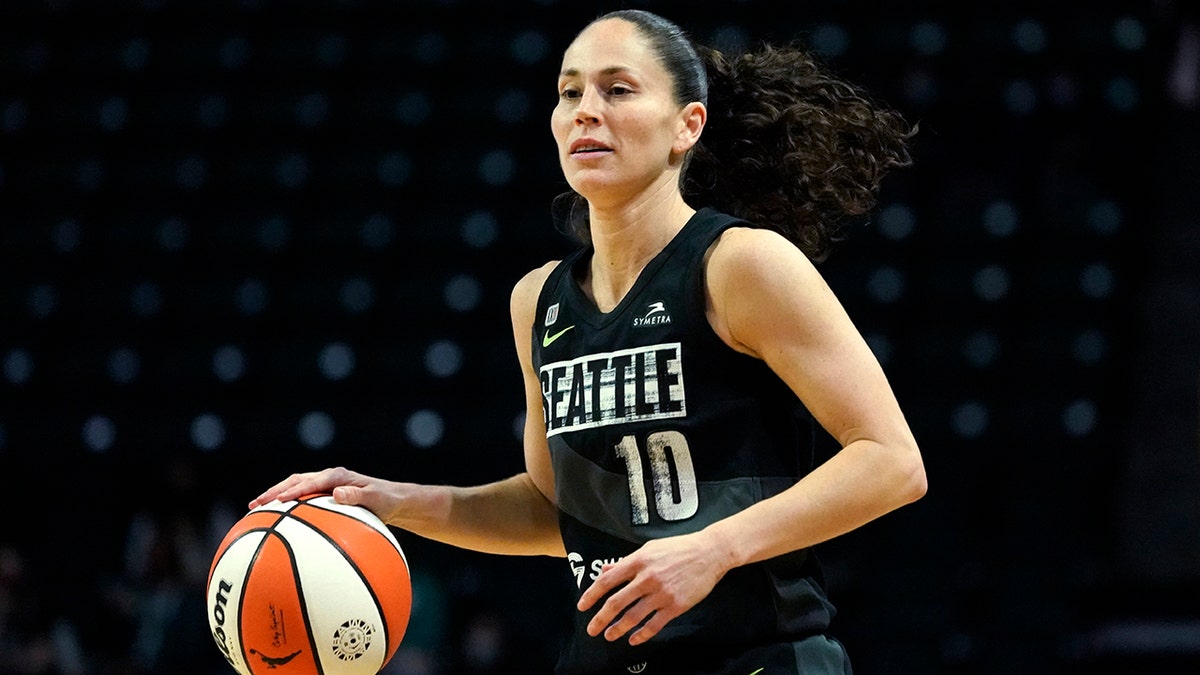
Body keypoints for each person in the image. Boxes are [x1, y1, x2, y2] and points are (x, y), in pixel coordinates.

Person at [250, 9, 926, 674]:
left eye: (618, 89)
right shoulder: (537, 300)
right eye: (570, 91)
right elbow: (557, 512)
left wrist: (713, 548)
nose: (585, 109)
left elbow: (892, 461)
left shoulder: (739, 264)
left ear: (686, 126)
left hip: (758, 655)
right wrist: (393, 501)